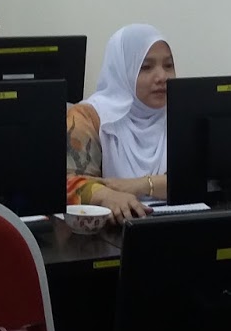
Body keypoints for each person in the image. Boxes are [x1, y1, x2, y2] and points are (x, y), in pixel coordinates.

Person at [66, 24, 175, 219]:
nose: (162, 77)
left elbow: (203, 179)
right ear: (122, 71)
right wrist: (106, 196)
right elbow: (68, 182)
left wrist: (142, 185)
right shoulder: (88, 117)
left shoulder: (180, 114)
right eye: (145, 67)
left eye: (168, 65)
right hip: (107, 231)